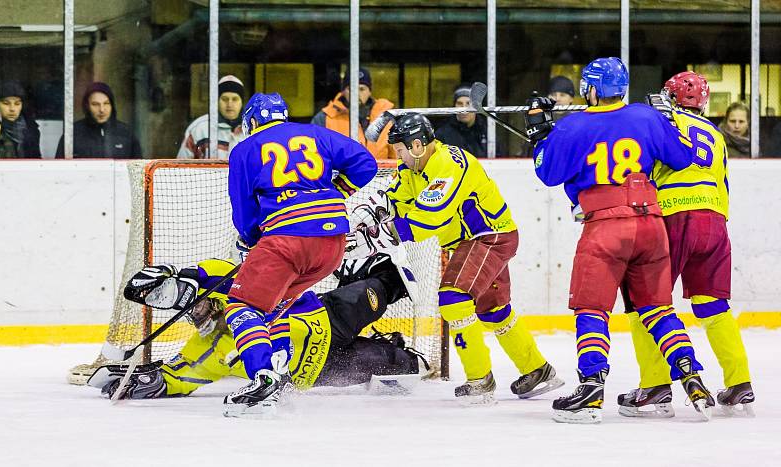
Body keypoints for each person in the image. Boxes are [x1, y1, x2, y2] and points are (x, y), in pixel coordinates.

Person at [526, 57, 714, 423]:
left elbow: (547, 173)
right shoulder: (647, 117)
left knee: (592, 310)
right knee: (658, 309)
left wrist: (540, 135)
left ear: (592, 89)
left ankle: (592, 391)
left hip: (605, 228)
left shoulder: (574, 126)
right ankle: (692, 378)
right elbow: (681, 157)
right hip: (650, 224)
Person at [347, 113, 563, 404]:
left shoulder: (448, 164)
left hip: (488, 237)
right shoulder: (412, 169)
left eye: (399, 150)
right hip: (473, 242)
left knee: (453, 298)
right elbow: (396, 201)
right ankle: (538, 370)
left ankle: (480, 379)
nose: (398, 156)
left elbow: (427, 220)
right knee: (493, 311)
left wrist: (381, 235)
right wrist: (378, 217)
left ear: (417, 145)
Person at [223, 92, 377, 417]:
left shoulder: (244, 149)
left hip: (286, 239)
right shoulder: (316, 134)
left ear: (251, 121)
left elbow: (244, 214)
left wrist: (254, 240)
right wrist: (338, 192)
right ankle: (281, 375)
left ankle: (263, 377)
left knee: (241, 306)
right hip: (332, 242)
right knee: (274, 304)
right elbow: (366, 163)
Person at [88, 254, 426, 399]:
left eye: (197, 303)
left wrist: (184, 278)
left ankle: (378, 274)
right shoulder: (208, 346)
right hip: (320, 369)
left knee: (383, 285)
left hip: (325, 316)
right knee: (408, 367)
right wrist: (155, 382)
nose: (198, 314)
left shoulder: (233, 288)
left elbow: (215, 272)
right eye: (190, 311)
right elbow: (181, 373)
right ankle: (395, 348)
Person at [617, 71, 754, 418]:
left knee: (644, 301)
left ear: (669, 96)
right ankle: (739, 383)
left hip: (674, 216)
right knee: (713, 304)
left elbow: (637, 163)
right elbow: (722, 183)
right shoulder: (716, 135)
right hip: (714, 220)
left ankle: (655, 385)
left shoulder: (663, 119)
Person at [311, 67, 395, 160]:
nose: (356, 94)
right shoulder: (324, 118)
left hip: (382, 174)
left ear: (370, 92)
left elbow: (397, 156)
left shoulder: (386, 118)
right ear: (343, 91)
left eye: (362, 89)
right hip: (339, 174)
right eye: (351, 89)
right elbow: (314, 157)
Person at [55, 82, 142, 158]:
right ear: (87, 106)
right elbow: (59, 170)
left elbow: (139, 170)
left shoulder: (125, 133)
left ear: (112, 105)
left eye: (106, 103)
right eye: (95, 104)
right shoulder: (74, 133)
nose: (101, 109)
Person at [178, 75, 245, 159]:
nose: (229, 104)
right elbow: (180, 167)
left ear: (242, 102)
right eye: (224, 99)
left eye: (235, 99)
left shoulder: (253, 129)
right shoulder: (199, 128)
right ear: (217, 100)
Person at [434, 84, 487, 158]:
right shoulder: (442, 134)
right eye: (460, 104)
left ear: (476, 106)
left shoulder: (487, 132)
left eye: (468, 103)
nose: (464, 109)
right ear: (454, 106)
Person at [0, 81, 41, 158]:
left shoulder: (31, 129)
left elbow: (37, 161)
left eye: (17, 104)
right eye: (6, 103)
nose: (12, 109)